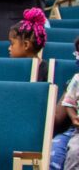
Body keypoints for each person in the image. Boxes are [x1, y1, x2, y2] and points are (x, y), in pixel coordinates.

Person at [52, 38, 79, 170]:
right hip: (76, 131)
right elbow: (67, 102)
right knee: (73, 152)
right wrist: (74, 117)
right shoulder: (76, 80)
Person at [7, 8, 49, 81]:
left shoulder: (46, 70)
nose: (9, 48)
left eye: (12, 44)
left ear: (26, 45)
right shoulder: (12, 67)